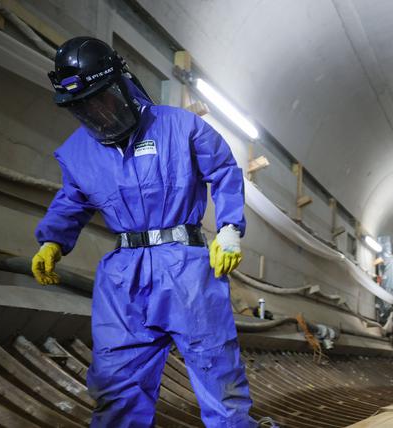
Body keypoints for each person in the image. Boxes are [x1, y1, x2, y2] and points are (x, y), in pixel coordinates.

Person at [30, 36, 256, 427]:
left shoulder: (180, 126)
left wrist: (229, 228)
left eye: (103, 98)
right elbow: (72, 200)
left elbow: (223, 172)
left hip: (185, 266)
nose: (98, 113)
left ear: (123, 84)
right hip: (123, 276)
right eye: (84, 107)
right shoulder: (77, 152)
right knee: (116, 381)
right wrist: (52, 240)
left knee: (217, 370)